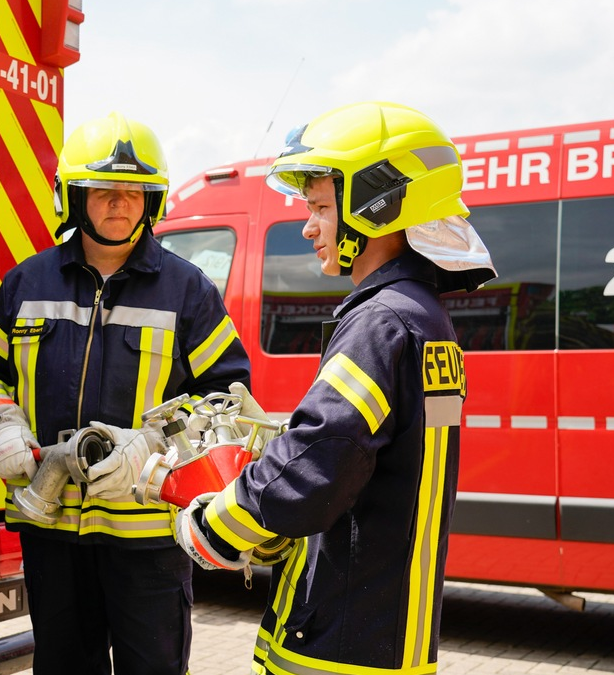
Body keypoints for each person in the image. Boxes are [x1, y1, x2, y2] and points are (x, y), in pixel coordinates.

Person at [174, 101, 497, 674]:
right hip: (391, 633)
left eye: (321, 206)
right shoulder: (425, 318)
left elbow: (320, 457)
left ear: (375, 206)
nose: (308, 225)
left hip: (342, 643)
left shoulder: (381, 322)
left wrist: (213, 526)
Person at [0, 112, 252, 675]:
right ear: (74, 196)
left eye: (134, 192)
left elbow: (227, 398)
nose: (120, 204)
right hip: (51, 533)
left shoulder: (188, 290)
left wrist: (147, 448)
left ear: (153, 202)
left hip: (148, 539)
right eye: (103, 191)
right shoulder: (26, 283)